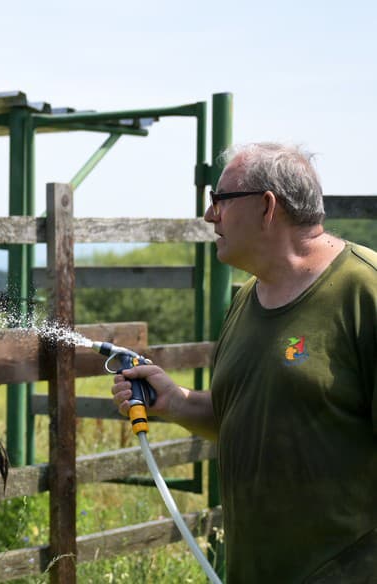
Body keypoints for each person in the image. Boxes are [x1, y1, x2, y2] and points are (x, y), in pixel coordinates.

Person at [111, 142, 376, 582]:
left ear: (267, 207)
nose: (209, 215)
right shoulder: (246, 300)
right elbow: (248, 414)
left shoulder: (363, 293)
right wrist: (176, 402)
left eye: (220, 200)